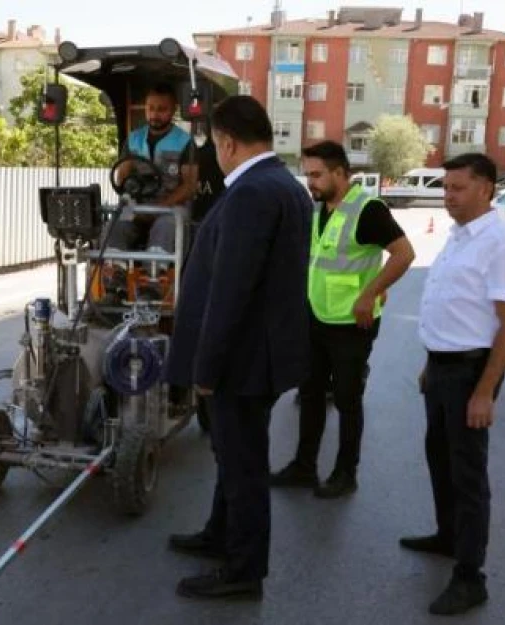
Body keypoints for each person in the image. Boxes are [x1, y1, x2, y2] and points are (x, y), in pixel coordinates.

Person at [164, 95, 311, 600]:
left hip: (241, 362)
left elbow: (231, 291)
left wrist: (206, 368)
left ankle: (244, 570)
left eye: (214, 145)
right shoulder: (286, 186)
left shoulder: (251, 193)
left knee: (244, 465)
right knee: (232, 455)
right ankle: (219, 534)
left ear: (226, 142)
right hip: (262, 355)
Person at [400, 153, 505, 615]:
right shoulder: (459, 236)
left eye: (458, 188)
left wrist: (483, 391)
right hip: (442, 366)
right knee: (439, 457)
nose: (447, 196)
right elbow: (452, 305)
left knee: (469, 474)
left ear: (486, 189)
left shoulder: (501, 245)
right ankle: (448, 535)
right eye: (446, 187)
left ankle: (470, 576)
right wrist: (431, 362)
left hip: (471, 372)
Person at [271, 140, 415, 498]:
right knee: (311, 394)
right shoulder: (319, 208)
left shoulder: (367, 209)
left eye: (317, 174)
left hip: (352, 323)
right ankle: (305, 467)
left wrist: (370, 293)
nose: (311, 182)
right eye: (308, 175)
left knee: (348, 400)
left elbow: (404, 253)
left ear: (340, 172)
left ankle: (345, 473)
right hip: (316, 316)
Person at [108, 82, 198, 254]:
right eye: (150, 108)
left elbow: (189, 187)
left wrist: (161, 207)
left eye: (161, 109)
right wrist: (133, 201)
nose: (154, 114)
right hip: (138, 205)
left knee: (165, 226)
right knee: (115, 226)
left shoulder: (185, 142)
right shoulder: (134, 139)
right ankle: (114, 269)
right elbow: (122, 177)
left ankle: (156, 274)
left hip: (172, 208)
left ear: (173, 110)